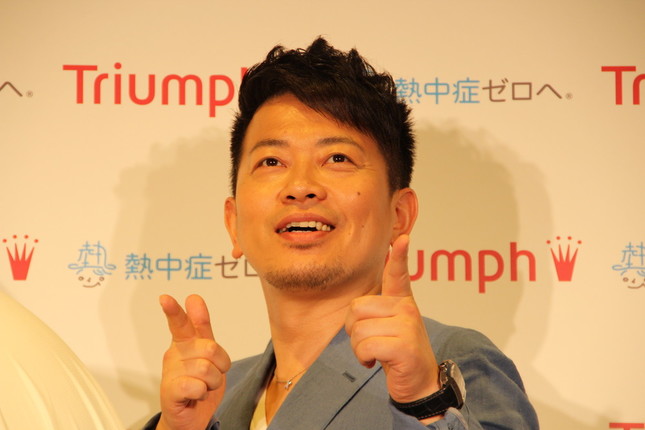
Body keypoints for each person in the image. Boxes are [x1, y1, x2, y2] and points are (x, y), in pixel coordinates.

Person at [144, 37, 539, 430]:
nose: (300, 186)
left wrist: (426, 401)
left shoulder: (452, 366)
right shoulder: (213, 396)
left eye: (337, 158)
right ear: (234, 223)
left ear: (399, 215)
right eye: (271, 161)